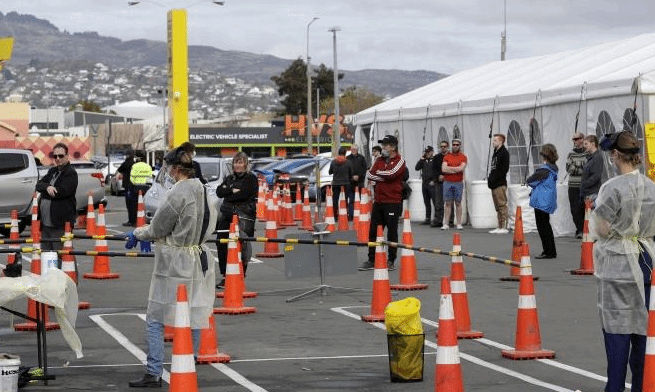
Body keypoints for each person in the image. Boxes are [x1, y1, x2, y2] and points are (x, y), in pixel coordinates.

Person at [127, 146, 217, 388]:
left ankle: (154, 371)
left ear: (176, 169)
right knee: (193, 313)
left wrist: (138, 234)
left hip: (175, 261)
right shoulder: (205, 190)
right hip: (199, 257)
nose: (166, 172)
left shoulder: (179, 193)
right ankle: (189, 360)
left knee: (156, 316)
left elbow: (158, 227)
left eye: (168, 168)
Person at [591, 130, 655, 392]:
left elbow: (602, 228)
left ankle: (615, 387)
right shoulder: (651, 186)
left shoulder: (612, 188)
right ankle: (642, 385)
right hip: (647, 260)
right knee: (643, 328)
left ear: (615, 155)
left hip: (617, 263)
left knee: (617, 329)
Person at [359, 135, 407, 271]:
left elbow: (392, 174)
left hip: (392, 201)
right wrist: (382, 175)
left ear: (392, 147)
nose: (383, 147)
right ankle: (371, 259)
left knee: (392, 232)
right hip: (379, 201)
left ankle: (391, 260)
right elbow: (370, 174)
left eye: (385, 145)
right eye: (383, 145)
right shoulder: (379, 160)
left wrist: (380, 175)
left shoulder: (399, 160)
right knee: (373, 230)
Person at [215, 152, 258, 288]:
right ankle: (225, 275)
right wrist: (232, 190)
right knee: (221, 244)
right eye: (236, 162)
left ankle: (240, 275)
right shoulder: (229, 178)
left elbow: (245, 194)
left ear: (245, 164)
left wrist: (230, 192)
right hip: (226, 215)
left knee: (242, 245)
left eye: (240, 162)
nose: (238, 165)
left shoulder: (251, 178)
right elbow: (219, 192)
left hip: (243, 216)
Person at [36, 142, 78, 259]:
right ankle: (51, 278)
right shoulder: (52, 171)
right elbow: (38, 185)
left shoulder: (71, 173)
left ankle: (70, 277)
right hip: (45, 224)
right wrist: (47, 187)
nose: (57, 159)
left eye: (61, 156)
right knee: (46, 257)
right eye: (55, 156)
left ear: (67, 156)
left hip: (60, 224)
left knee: (63, 257)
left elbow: (62, 192)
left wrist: (46, 190)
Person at [527, 143, 559, 259]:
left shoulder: (544, 169)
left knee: (542, 227)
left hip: (541, 200)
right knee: (546, 225)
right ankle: (550, 250)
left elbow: (530, 180)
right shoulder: (553, 168)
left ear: (544, 155)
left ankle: (548, 251)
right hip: (548, 199)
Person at [441, 138, 467, 230]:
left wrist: (450, 169)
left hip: (458, 182)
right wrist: (455, 169)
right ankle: (446, 223)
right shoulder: (447, 156)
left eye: (457, 145)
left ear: (460, 146)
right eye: (454, 144)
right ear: (451, 145)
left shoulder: (463, 156)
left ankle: (459, 223)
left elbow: (462, 168)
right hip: (448, 182)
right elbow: (444, 169)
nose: (455, 146)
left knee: (458, 203)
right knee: (447, 203)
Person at [487, 134, 510, 234]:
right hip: (493, 183)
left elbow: (504, 169)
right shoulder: (495, 153)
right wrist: (490, 180)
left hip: (500, 183)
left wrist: (496, 180)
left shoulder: (504, 153)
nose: (493, 142)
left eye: (495, 140)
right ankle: (499, 226)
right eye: (493, 140)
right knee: (497, 207)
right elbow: (493, 169)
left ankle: (504, 226)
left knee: (502, 205)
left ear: (501, 141)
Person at [566, 132, 587, 239]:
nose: (575, 141)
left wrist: (576, 165)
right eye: (573, 139)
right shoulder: (571, 153)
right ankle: (579, 229)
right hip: (573, 185)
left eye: (577, 138)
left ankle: (585, 229)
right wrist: (580, 166)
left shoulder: (587, 153)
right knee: (574, 209)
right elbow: (569, 169)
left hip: (584, 185)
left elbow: (587, 169)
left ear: (582, 139)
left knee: (584, 208)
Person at [415, 145, 438, 225]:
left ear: (432, 152)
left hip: (432, 183)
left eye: (428, 152)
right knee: (426, 202)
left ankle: (436, 218)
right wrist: (421, 159)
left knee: (435, 201)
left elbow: (439, 172)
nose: (427, 153)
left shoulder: (435, 160)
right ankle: (427, 218)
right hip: (424, 183)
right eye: (426, 152)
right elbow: (417, 168)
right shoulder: (424, 161)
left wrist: (434, 180)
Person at [329, 146, 353, 222]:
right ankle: (345, 215)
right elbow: (351, 173)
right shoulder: (348, 162)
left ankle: (335, 216)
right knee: (345, 200)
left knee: (335, 200)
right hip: (346, 183)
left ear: (338, 152)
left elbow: (330, 172)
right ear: (345, 153)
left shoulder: (333, 162)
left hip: (336, 183)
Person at [580, 134, 603, 206]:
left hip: (592, 193)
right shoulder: (590, 158)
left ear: (593, 144)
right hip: (588, 193)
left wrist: (584, 184)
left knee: (591, 215)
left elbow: (596, 176)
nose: (584, 146)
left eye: (586, 144)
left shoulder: (597, 158)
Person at [129, 152, 153, 219]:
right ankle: (145, 216)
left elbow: (132, 177)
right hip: (146, 186)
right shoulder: (148, 166)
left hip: (137, 186)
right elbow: (150, 177)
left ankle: (136, 217)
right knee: (146, 202)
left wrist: (135, 183)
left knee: (135, 203)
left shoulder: (135, 166)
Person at [347, 144, 368, 220]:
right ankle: (351, 215)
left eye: (354, 149)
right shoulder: (348, 158)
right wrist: (352, 177)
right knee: (351, 200)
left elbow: (364, 169)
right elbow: (346, 170)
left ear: (357, 150)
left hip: (359, 182)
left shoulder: (361, 158)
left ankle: (360, 213)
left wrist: (359, 176)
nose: (353, 151)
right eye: (352, 149)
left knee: (360, 199)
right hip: (350, 182)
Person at [116, 152, 135, 226]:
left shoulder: (126, 163)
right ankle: (135, 219)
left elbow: (120, 169)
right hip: (134, 184)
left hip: (128, 185)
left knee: (129, 204)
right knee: (134, 204)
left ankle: (131, 220)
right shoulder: (134, 164)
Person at [432, 141, 448, 228]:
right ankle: (438, 220)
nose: (443, 148)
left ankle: (449, 220)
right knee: (438, 202)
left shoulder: (450, 156)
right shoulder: (436, 157)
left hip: (448, 181)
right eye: (441, 146)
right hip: (439, 182)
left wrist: (445, 176)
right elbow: (433, 169)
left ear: (447, 147)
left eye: (444, 146)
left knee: (448, 202)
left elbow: (452, 167)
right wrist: (438, 176)